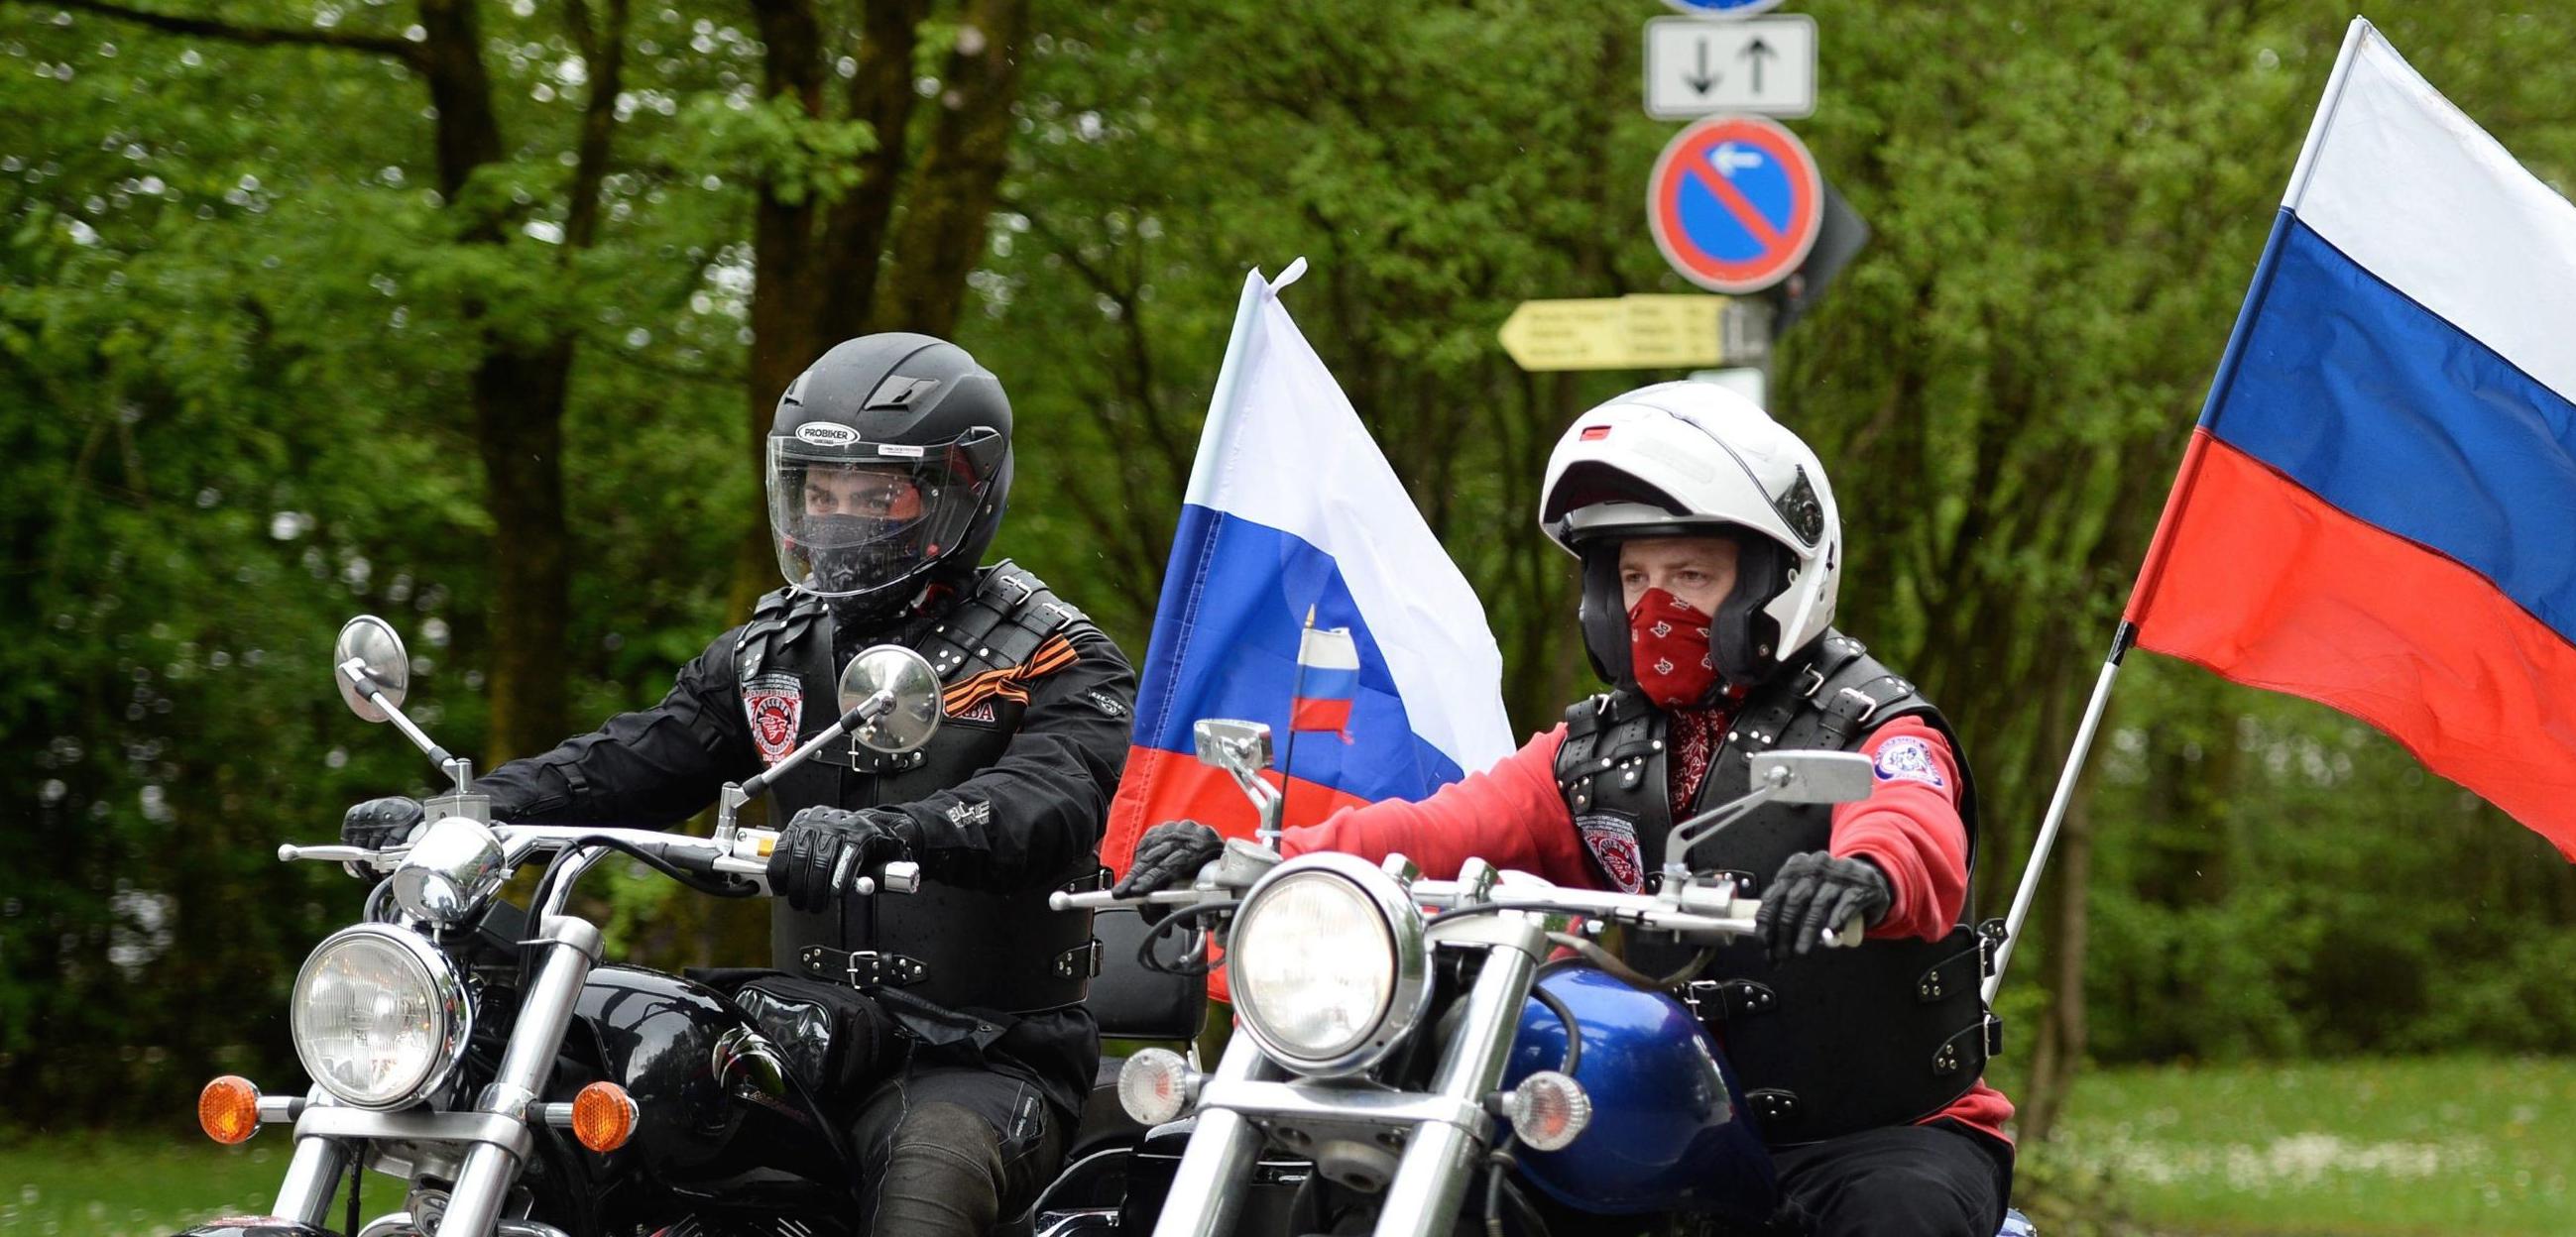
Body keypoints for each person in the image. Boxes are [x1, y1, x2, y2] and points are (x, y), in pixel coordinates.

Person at [1115, 382, 2015, 1235]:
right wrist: (1255, 858)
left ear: (1776, 578)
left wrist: (1865, 873)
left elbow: (1913, 822)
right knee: (1484, 1182)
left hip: (1878, 1133)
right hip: (1677, 1115)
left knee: (1899, 1221)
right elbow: (1434, 830)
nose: (1656, 605)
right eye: (1634, 578)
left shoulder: (1871, 723)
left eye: (1692, 575)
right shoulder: (1592, 753)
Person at [342, 333, 1135, 1235]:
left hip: (983, 1053)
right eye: (819, 493)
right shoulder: (776, 651)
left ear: (960, 490)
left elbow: (1053, 795)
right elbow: (627, 763)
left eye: (874, 494)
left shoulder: (1055, 657)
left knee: (931, 1182)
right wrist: (460, 814)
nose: (837, 521)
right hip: (806, 1030)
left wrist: (898, 831)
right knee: (621, 1114)